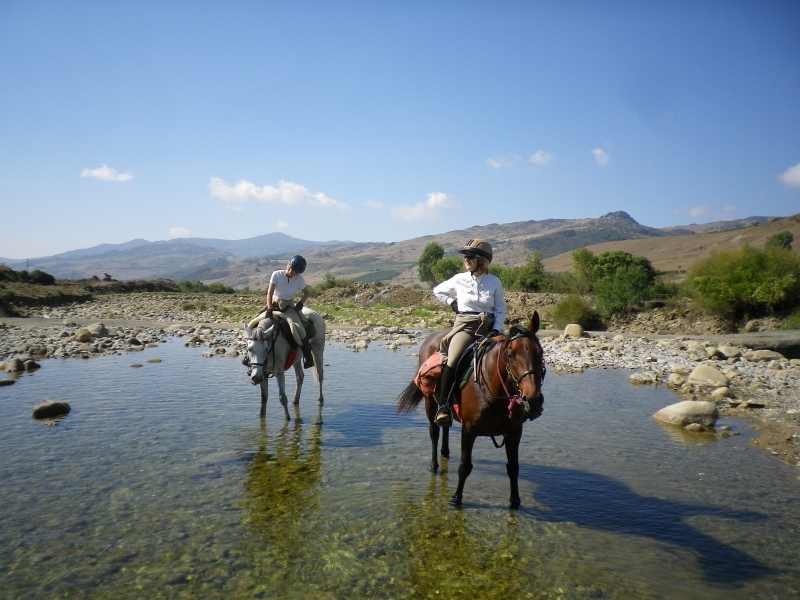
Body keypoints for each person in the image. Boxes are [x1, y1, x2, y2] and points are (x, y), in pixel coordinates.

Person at [431, 239, 506, 426]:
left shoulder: (494, 282)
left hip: (489, 327)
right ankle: (444, 407)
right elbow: (437, 290)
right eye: (465, 257)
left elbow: (500, 308)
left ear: (481, 260)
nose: (466, 259)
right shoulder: (459, 279)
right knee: (453, 359)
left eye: (470, 256)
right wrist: (452, 303)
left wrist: (497, 327)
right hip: (466, 326)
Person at [259, 255, 314, 368]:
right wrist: (269, 308)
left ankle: (308, 358)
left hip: (288, 305)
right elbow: (269, 293)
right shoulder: (276, 274)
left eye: (295, 272)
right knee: (254, 323)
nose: (291, 272)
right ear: (288, 265)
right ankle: (248, 357)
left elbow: (306, 293)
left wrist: (300, 303)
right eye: (290, 269)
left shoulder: (299, 279)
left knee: (300, 329)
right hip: (274, 302)